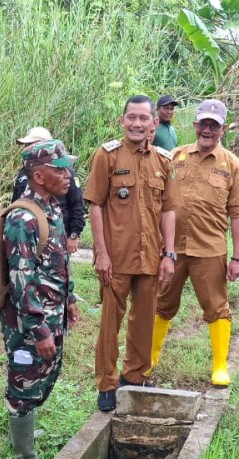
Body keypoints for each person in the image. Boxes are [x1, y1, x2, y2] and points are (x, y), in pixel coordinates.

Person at [84, 95, 177, 411]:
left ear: (154, 123)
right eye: (132, 117)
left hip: (150, 256)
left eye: (143, 118)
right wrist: (101, 253)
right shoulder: (107, 156)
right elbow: (95, 204)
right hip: (117, 257)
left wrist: (170, 254)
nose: (137, 124)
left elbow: (169, 210)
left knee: (144, 321)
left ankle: (135, 376)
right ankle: (107, 384)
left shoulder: (164, 161)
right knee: (111, 322)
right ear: (123, 121)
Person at [150, 99, 239, 386]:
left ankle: (219, 366)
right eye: (203, 124)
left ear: (223, 129)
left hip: (210, 249)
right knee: (162, 302)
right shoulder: (174, 157)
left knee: (217, 306)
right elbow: (158, 202)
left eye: (213, 126)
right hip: (172, 249)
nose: (207, 130)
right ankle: (151, 357)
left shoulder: (232, 165)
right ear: (194, 125)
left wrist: (238, 258)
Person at [1, 140, 82, 459]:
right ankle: (23, 454)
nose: (68, 175)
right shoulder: (23, 218)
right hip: (29, 320)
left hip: (52, 310)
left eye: (68, 168)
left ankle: (27, 431)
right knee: (24, 379)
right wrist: (38, 328)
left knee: (44, 374)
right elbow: (21, 279)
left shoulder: (52, 207)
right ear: (37, 174)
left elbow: (58, 261)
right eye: (59, 169)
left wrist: (71, 298)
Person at [12, 127, 86, 253]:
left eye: (33, 144)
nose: (28, 149)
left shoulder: (54, 207)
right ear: (37, 177)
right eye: (27, 145)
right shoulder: (22, 218)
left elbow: (77, 205)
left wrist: (74, 235)